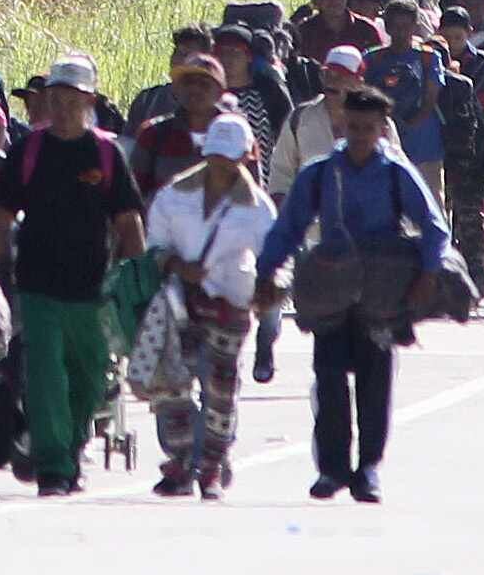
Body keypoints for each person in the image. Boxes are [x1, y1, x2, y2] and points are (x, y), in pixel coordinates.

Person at [256, 87, 449, 503]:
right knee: (328, 380)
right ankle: (331, 470)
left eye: (370, 128)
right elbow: (289, 226)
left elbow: (434, 226)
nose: (361, 135)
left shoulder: (397, 173)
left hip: (382, 291)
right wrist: (266, 270)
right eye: (354, 126)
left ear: (383, 129)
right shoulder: (320, 173)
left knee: (375, 382)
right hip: (332, 288)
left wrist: (429, 274)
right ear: (342, 124)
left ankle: (368, 470)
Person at [138, 117, 269, 500]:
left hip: (231, 302)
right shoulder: (174, 196)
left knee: (220, 389)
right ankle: (179, 460)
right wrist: (179, 267)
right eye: (216, 158)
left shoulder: (257, 208)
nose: (222, 166)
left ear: (248, 156)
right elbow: (155, 246)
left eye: (231, 159)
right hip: (181, 301)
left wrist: (270, 288)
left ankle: (211, 466)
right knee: (172, 384)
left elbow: (274, 258)